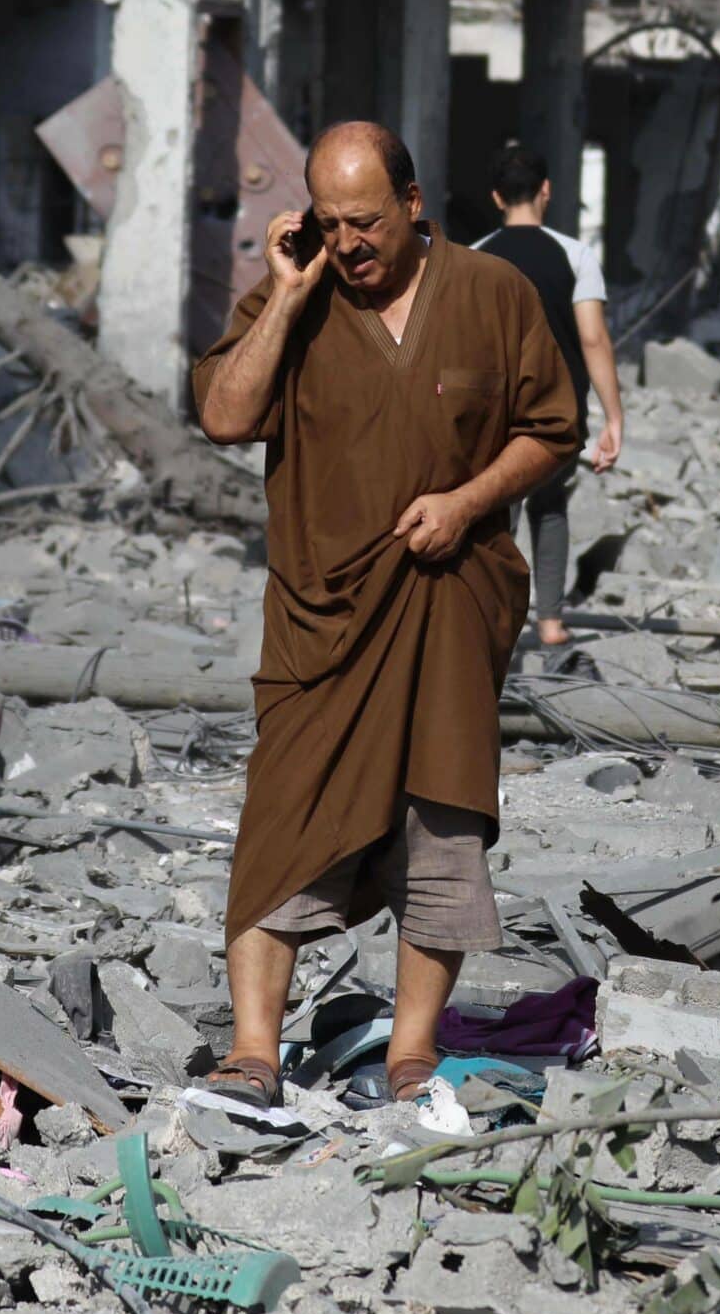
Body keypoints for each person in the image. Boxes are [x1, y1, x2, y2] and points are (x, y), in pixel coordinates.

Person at [189, 122, 579, 1108]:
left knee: (441, 829)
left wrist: (467, 502)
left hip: (450, 609)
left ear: (413, 202)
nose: (348, 241)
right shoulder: (302, 299)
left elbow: (552, 428)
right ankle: (252, 1052)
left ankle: (411, 1055)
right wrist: (285, 293)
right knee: (282, 822)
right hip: (322, 617)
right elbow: (228, 415)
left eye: (364, 221)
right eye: (329, 223)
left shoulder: (493, 295)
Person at [471, 142, 625, 651]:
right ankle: (552, 623)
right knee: (551, 504)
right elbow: (593, 339)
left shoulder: (474, 258)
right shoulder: (574, 254)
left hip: (494, 412)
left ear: (496, 197)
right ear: (546, 191)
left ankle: (494, 625)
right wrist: (613, 418)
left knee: (499, 516)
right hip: (559, 410)